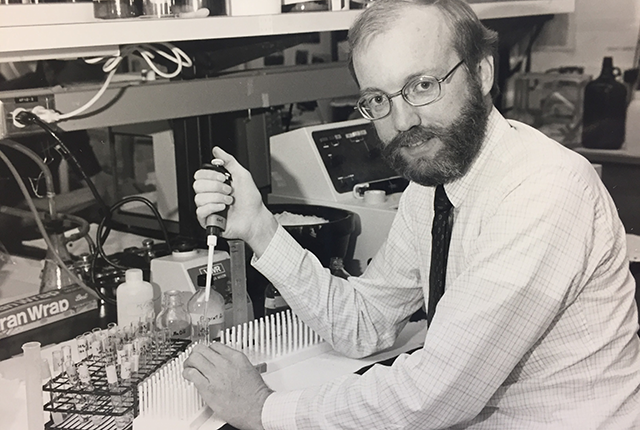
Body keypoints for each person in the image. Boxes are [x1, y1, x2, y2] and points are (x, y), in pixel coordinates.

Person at [184, 0, 640, 428]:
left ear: (481, 74)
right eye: (379, 100)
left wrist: (264, 409)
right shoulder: (435, 185)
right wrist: (260, 227)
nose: (402, 122)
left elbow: (436, 393)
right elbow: (365, 324)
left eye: (422, 86)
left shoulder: (541, 189)